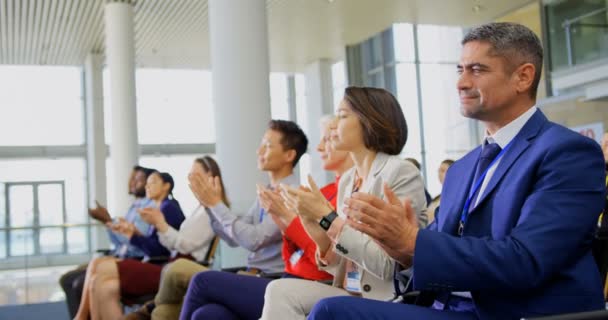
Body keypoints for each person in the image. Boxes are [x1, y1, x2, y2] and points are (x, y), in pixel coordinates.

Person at [308, 22, 606, 320]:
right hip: (444, 307)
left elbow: (526, 261)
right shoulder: (462, 169)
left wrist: (412, 240)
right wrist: (399, 247)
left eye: (477, 70)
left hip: (516, 313)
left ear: (523, 77)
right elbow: (426, 254)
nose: (461, 83)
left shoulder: (567, 153)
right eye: (459, 70)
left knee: (332, 312)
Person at [260, 87, 428, 320]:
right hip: (350, 290)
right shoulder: (349, 180)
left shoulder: (399, 172)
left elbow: (388, 266)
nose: (333, 126)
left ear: (369, 121)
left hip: (385, 296)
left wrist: (328, 219)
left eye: (342, 115)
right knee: (278, 290)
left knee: (284, 295)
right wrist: (318, 233)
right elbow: (343, 261)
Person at [123, 156, 230, 320]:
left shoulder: (209, 211)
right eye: (189, 174)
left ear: (210, 176)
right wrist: (159, 225)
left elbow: (183, 245)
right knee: (162, 311)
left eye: (195, 173)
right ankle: (151, 307)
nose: (191, 178)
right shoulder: (198, 209)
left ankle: (150, 307)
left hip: (185, 264)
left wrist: (160, 224)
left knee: (107, 272)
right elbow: (174, 244)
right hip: (174, 262)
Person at [74, 171, 185, 320]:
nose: (147, 186)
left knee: (99, 267)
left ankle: (80, 317)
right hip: (155, 261)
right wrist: (133, 233)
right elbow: (156, 244)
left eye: (152, 182)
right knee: (101, 285)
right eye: (147, 183)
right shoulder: (159, 208)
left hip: (160, 265)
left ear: (166, 186)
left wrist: (132, 235)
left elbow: (159, 250)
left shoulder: (168, 208)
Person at [60, 165, 155, 318]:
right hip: (120, 255)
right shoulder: (134, 207)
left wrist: (109, 221)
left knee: (78, 283)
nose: (132, 183)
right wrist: (108, 222)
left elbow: (135, 242)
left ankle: (81, 316)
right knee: (68, 279)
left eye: (138, 180)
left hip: (134, 259)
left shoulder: (149, 207)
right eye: (132, 179)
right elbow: (120, 242)